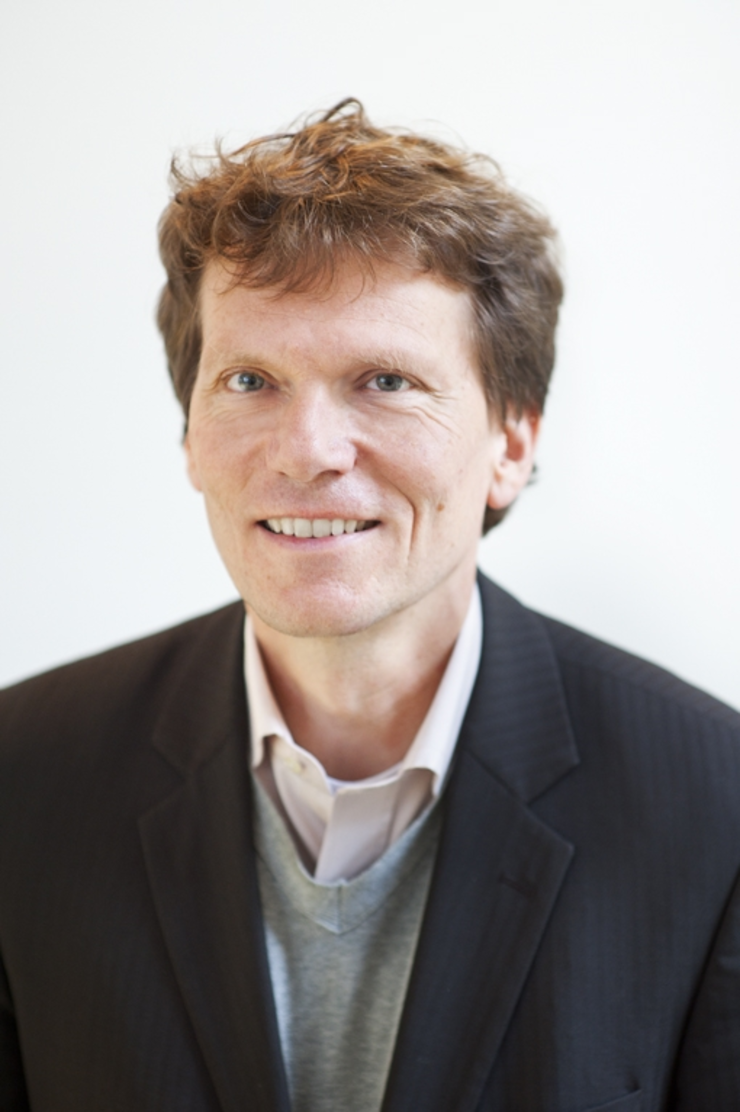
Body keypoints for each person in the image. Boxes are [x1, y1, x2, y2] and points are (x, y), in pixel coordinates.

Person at [1, 100, 739, 1112]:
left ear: (511, 443)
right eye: (250, 379)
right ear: (189, 436)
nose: (307, 449)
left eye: (385, 380)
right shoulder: (22, 777)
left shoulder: (713, 807)